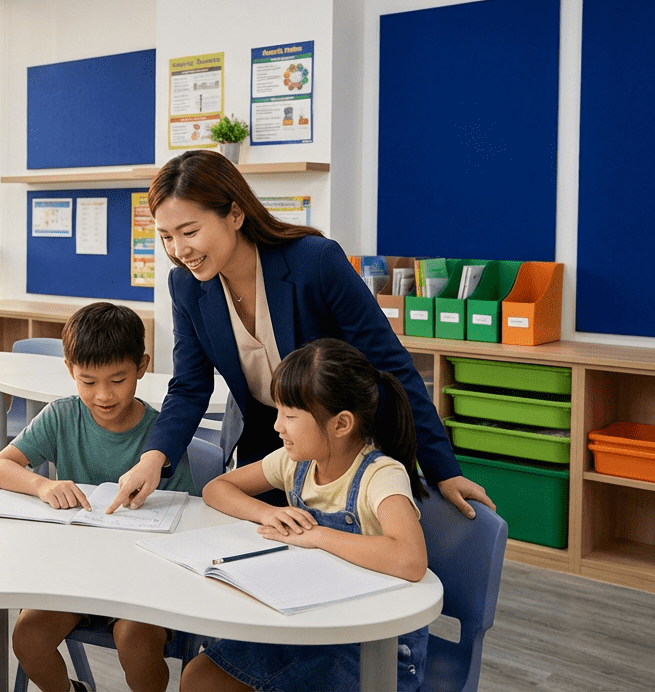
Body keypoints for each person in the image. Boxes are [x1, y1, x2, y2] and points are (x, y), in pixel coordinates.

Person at [107, 149, 492, 519]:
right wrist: (153, 458)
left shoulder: (315, 262)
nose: (179, 250)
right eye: (166, 237)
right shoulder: (186, 287)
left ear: (235, 214)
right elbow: (190, 386)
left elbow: (391, 367)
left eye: (189, 231)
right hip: (268, 444)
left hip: (341, 443)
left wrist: (443, 469)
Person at [181, 337, 429, 692]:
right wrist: (267, 513)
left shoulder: (380, 475)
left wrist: (318, 537)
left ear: (341, 424)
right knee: (199, 677)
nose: (277, 426)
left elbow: (410, 559)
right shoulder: (294, 463)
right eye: (279, 412)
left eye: (291, 416)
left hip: (371, 643)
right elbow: (216, 489)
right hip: (304, 622)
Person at [0, 302, 195, 692]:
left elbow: (186, 514)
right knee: (27, 638)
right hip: (75, 575)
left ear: (142, 367)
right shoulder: (62, 416)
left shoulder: (161, 438)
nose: (102, 396)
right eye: (87, 381)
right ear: (70, 371)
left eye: (117, 380)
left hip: (141, 580)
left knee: (135, 642)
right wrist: (43, 485)